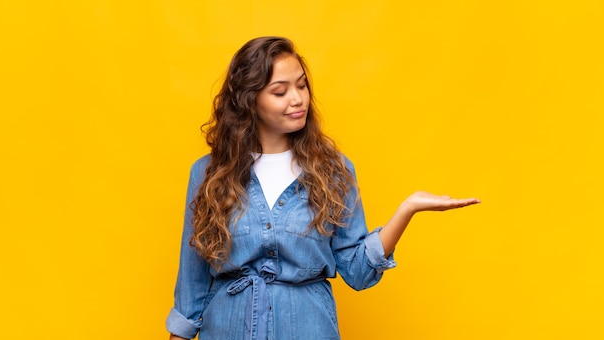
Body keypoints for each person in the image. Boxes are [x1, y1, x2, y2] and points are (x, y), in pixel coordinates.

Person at [166, 36, 480, 340]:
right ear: (250, 100)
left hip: (309, 327)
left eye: (302, 85)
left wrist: (406, 209)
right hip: (226, 329)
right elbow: (192, 281)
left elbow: (358, 272)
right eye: (280, 91)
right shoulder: (209, 173)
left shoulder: (333, 171)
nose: (297, 98)